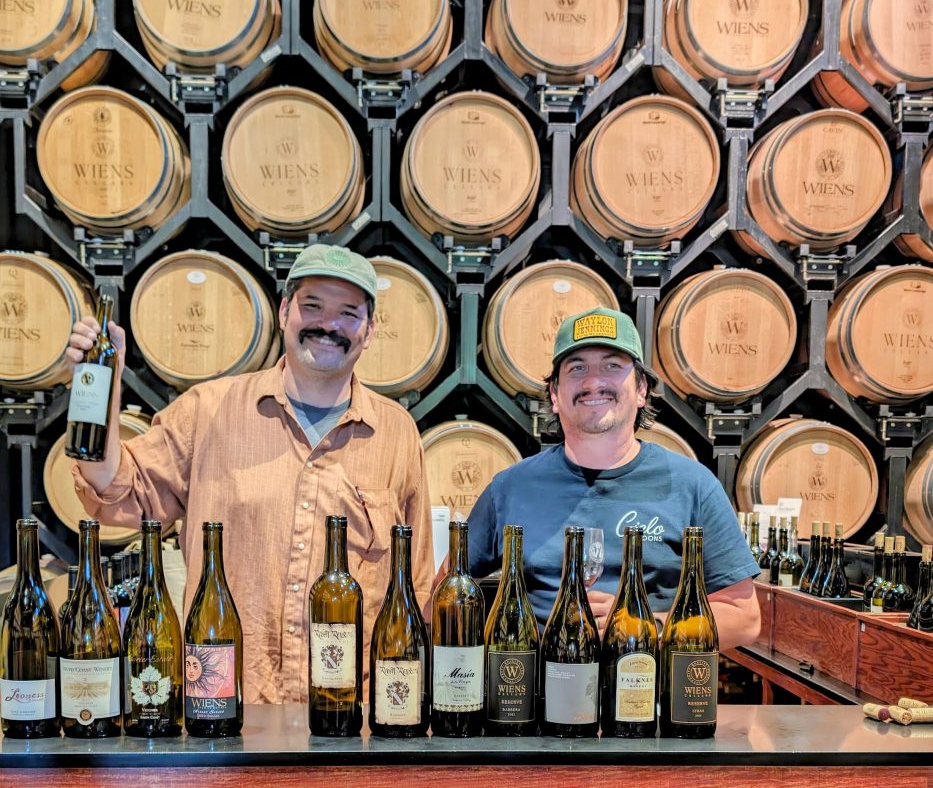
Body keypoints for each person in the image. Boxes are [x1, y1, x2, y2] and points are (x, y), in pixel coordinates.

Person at [67, 244, 433, 703]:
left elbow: (416, 587)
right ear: (283, 312)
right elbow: (115, 492)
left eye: (349, 313)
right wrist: (104, 384)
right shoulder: (209, 411)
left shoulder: (396, 433)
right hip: (227, 710)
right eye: (312, 305)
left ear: (370, 330)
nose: (329, 324)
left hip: (348, 715)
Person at [467, 306, 761, 650]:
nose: (593, 382)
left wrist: (643, 628)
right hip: (538, 695)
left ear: (641, 389)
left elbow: (744, 618)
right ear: (554, 395)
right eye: (577, 368)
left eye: (612, 366)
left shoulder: (693, 485)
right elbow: (447, 591)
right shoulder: (511, 488)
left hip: (647, 692)